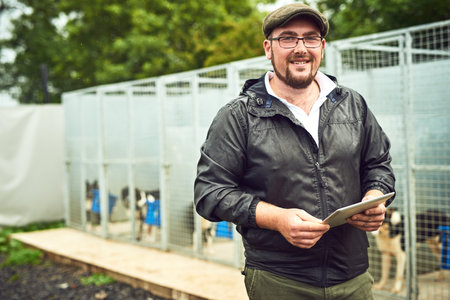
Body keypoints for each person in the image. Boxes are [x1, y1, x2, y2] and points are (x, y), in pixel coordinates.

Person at [194, 3, 395, 300]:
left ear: (322, 47)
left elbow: (379, 165)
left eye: (310, 38)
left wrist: (374, 198)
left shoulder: (353, 105)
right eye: (288, 38)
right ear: (268, 48)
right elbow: (209, 192)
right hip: (280, 280)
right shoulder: (239, 116)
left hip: (353, 277)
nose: (301, 48)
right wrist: (277, 219)